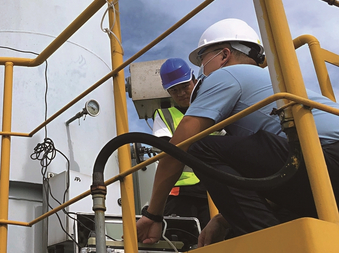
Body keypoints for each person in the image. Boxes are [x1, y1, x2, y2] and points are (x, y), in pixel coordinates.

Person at [136, 18, 339, 247]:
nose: (203, 71)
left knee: (199, 146)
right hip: (321, 171)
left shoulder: (227, 75)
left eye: (203, 60)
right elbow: (273, 176)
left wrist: (153, 215)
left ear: (223, 55)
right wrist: (223, 219)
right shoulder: (270, 83)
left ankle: (270, 245)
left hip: (324, 158)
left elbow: (178, 148)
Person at [151, 58, 211, 229]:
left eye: (185, 86)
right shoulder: (164, 115)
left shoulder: (212, 106)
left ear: (194, 80)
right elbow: (165, 151)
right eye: (174, 90)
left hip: (214, 187)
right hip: (180, 192)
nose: (181, 93)